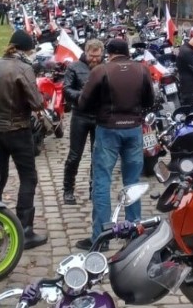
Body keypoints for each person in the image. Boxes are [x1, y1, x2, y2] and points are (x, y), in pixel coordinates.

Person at [76, 37, 154, 247]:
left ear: (109, 53)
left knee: (102, 181)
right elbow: (150, 101)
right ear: (127, 52)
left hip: (108, 129)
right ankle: (134, 232)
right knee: (132, 181)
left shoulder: (101, 71)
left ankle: (101, 238)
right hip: (133, 129)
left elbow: (83, 102)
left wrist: (100, 109)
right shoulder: (142, 70)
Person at [0, 29, 48, 249]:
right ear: (25, 49)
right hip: (18, 129)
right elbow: (36, 102)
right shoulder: (24, 68)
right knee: (28, 177)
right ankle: (25, 230)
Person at [62, 38, 104, 205]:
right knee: (74, 155)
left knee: (97, 156)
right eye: (91, 56)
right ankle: (68, 189)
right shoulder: (74, 67)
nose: (94, 59)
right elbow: (66, 89)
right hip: (80, 115)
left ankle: (94, 189)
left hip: (99, 116)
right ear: (86, 53)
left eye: (97, 56)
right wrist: (82, 96)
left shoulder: (105, 67)